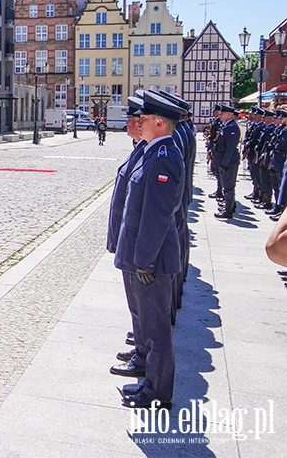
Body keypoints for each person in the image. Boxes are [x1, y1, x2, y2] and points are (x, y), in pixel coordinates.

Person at [112, 90, 186, 410]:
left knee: (156, 330)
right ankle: (150, 382)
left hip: (151, 261)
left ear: (158, 122)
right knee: (148, 323)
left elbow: (157, 216)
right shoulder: (153, 152)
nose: (137, 123)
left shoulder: (165, 156)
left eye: (142, 119)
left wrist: (143, 261)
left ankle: (157, 392)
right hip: (142, 256)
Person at [107, 97, 147, 377]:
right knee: (140, 309)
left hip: (143, 248)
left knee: (150, 313)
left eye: (136, 119)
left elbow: (157, 212)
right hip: (132, 241)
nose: (130, 124)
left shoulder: (160, 153)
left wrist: (144, 257)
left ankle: (152, 377)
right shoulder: (145, 149)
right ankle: (142, 349)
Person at [213, 105, 241, 219]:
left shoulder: (232, 127)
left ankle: (228, 210)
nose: (220, 115)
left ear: (229, 115)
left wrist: (225, 163)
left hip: (229, 161)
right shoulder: (226, 126)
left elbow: (230, 147)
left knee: (228, 185)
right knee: (225, 184)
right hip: (223, 159)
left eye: (223, 114)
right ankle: (228, 205)